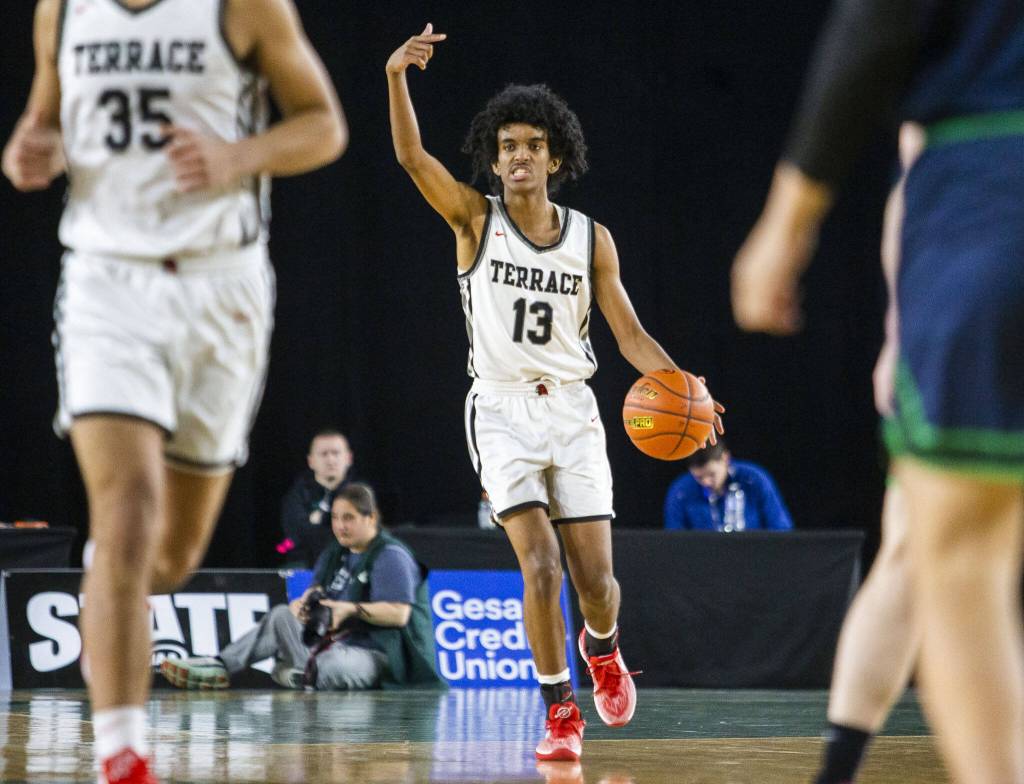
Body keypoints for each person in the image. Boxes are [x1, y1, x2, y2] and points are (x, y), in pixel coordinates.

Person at [2, 1, 346, 782]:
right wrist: (33, 147)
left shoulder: (244, 7)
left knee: (173, 555)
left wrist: (237, 156)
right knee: (125, 514)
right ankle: (122, 755)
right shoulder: (64, 9)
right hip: (106, 283)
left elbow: (323, 125)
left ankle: (109, 579)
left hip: (221, 290)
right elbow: (42, 118)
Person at [386, 24, 724, 763]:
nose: (517, 158)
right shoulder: (475, 220)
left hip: (572, 409)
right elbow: (412, 158)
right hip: (501, 408)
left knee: (597, 582)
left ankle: (602, 649)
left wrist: (682, 386)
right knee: (538, 564)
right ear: (494, 158)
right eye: (506, 147)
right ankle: (560, 710)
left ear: (555, 158)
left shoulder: (591, 239)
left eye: (532, 146)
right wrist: (395, 77)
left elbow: (629, 335)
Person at [730, 2, 1024, 781]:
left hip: (987, 198)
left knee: (949, 557)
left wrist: (786, 227)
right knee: (913, 553)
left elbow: (879, 26)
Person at [812, 123, 924, 784]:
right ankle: (837, 771)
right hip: (972, 284)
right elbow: (914, 175)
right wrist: (898, 330)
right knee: (914, 553)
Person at [161, 482, 444, 692]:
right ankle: (220, 665)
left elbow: (398, 614)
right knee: (282, 614)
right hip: (331, 646)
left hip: (380, 656)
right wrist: (303, 604)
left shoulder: (389, 555)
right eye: (335, 518)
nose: (339, 526)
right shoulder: (337, 552)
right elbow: (316, 592)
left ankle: (296, 672)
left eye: (349, 518)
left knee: (334, 665)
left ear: (370, 518)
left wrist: (349, 609)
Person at [663, 440, 793, 531]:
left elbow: (780, 527)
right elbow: (675, 540)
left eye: (711, 474)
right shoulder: (681, 490)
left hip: (755, 559)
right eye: (699, 477)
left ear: (725, 459)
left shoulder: (753, 479)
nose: (706, 482)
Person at [278, 428, 354, 568]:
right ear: (311, 461)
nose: (330, 459)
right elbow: (290, 541)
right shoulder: (297, 495)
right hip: (303, 564)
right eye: (324, 454)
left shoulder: (359, 495)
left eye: (336, 453)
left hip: (349, 563)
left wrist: (317, 519)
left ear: (348, 458)